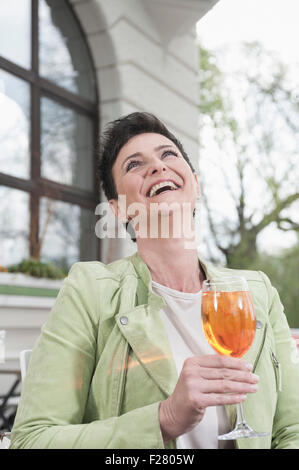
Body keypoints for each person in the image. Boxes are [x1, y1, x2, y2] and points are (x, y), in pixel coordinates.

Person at [10, 112, 299, 449]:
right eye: (134, 165)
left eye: (168, 155)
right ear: (118, 209)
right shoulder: (90, 290)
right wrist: (163, 419)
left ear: (194, 182)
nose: (158, 167)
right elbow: (30, 441)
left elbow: (291, 430)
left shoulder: (257, 291)